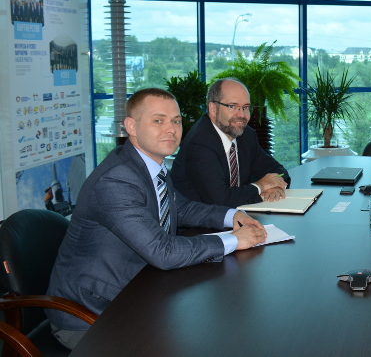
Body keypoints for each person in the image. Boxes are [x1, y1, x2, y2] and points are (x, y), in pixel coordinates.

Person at [46, 88, 268, 349]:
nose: (171, 130)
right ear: (131, 126)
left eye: (176, 121)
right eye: (158, 120)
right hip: (92, 314)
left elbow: (180, 207)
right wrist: (232, 240)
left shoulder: (151, 164)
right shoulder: (115, 180)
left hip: (137, 292)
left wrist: (233, 215)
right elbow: (162, 252)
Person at [171, 78, 290, 208]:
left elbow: (279, 171)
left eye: (246, 107)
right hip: (201, 225)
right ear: (213, 108)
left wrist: (276, 186)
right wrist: (261, 186)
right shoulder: (199, 143)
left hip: (238, 216)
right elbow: (221, 200)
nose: (242, 115)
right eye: (232, 106)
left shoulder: (246, 135)